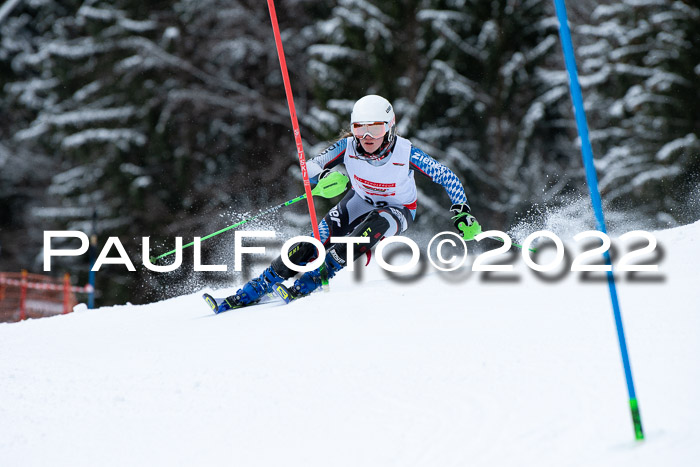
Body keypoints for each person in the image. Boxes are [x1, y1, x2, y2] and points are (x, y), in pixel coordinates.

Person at [220, 94, 481, 311]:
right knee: (315, 240)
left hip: (398, 209)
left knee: (371, 227)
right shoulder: (347, 147)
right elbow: (308, 167)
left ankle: (317, 276)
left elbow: (447, 176)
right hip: (360, 199)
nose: (367, 136)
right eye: (360, 127)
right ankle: (258, 287)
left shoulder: (406, 152)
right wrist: (322, 176)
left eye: (375, 128)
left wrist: (461, 211)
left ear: (389, 127)